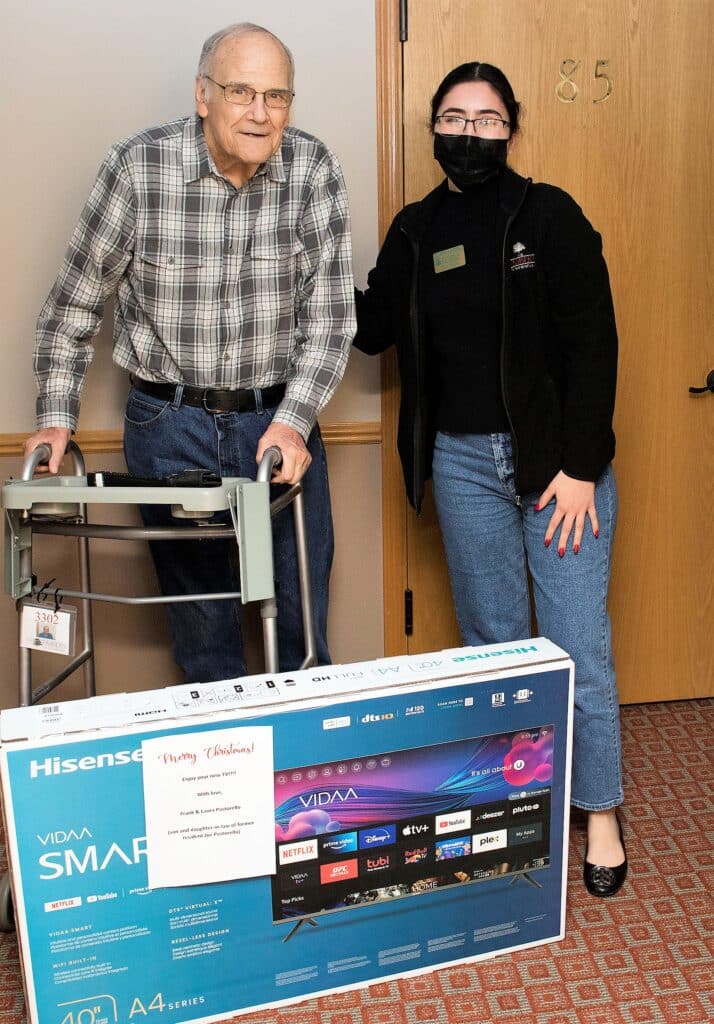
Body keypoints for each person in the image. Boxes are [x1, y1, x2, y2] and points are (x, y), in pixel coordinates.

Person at [354, 63, 626, 898]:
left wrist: (582, 466)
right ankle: (520, 807)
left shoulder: (551, 216)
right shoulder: (415, 228)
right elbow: (370, 332)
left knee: (578, 645)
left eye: (485, 119)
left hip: (559, 472)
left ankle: (601, 813)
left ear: (511, 128)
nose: (467, 133)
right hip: (462, 464)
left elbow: (595, 347)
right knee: (499, 646)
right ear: (434, 128)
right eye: (452, 117)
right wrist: (307, 260)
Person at [23, 23, 355, 683]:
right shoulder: (138, 168)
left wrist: (292, 421)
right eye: (241, 92)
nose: (260, 113)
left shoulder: (314, 169)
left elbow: (331, 319)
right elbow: (72, 306)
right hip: (170, 428)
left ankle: (304, 781)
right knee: (205, 635)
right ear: (203, 95)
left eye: (277, 96)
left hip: (277, 418)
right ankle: (224, 781)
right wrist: (55, 419)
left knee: (300, 625)